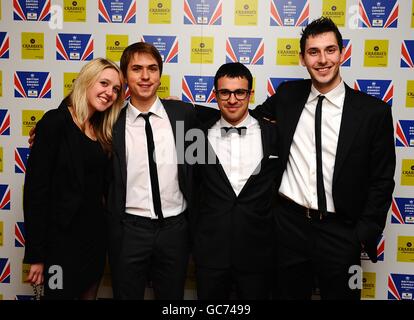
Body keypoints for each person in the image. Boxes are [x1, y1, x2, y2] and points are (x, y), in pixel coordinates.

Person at [253, 17, 396, 300]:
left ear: (342, 53)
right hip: (288, 228)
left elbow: (381, 180)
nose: (322, 60)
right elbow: (243, 120)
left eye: (330, 50)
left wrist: (360, 234)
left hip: (341, 232)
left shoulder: (373, 113)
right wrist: (183, 112)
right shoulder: (287, 95)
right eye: (313, 52)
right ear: (302, 59)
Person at [106, 42, 213, 300]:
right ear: (124, 76)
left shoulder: (181, 114)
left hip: (175, 230)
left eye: (152, 69)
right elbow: (77, 111)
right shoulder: (111, 121)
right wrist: (44, 128)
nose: (145, 76)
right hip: (130, 229)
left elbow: (227, 117)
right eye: (137, 69)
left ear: (160, 74)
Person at [23, 58, 124, 299]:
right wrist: (37, 256)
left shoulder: (102, 130)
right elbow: (36, 192)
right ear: (86, 81)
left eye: (116, 89)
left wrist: (172, 105)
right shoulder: (55, 122)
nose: (109, 93)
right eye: (104, 83)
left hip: (94, 239)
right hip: (60, 244)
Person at [191, 62, 280, 300]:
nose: (232, 99)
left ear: (251, 94)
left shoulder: (274, 135)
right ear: (215, 95)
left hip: (258, 250)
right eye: (225, 92)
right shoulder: (195, 136)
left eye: (240, 92)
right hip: (210, 251)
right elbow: (189, 187)